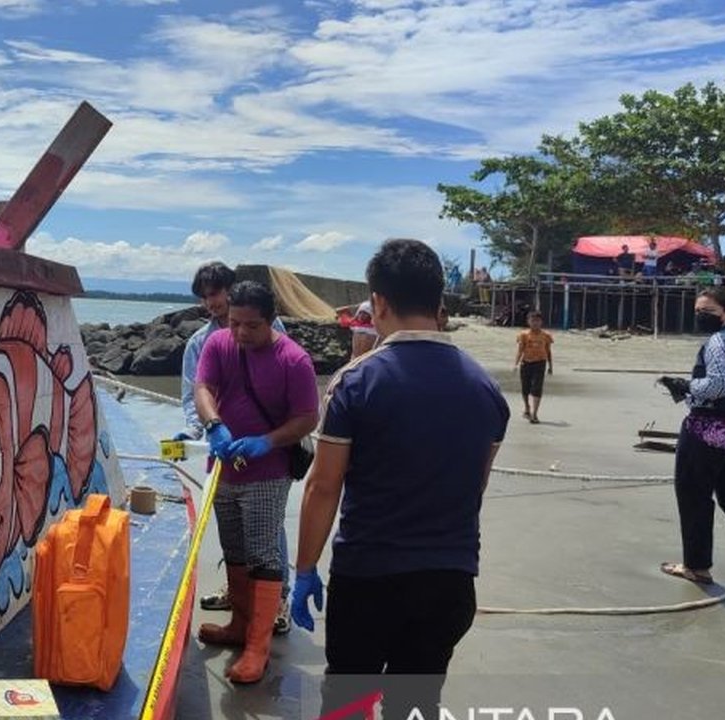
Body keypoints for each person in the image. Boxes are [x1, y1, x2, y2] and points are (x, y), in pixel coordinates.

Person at [291, 238, 509, 718]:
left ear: (379, 303)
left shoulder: (356, 381)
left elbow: (323, 486)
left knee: (349, 701)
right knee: (416, 703)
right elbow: (476, 486)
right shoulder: (486, 388)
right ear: (439, 305)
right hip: (450, 580)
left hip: (369, 576)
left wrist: (304, 569)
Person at [194, 280, 319, 683]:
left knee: (263, 553)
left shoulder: (294, 360)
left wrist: (267, 441)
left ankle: (257, 648)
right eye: (234, 323)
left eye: (252, 326)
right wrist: (214, 425)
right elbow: (203, 388)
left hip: (267, 473)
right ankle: (238, 625)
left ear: (270, 321)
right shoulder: (217, 345)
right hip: (224, 466)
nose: (241, 333)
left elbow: (307, 418)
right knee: (233, 549)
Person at [174, 262, 292, 633]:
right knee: (233, 527)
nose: (212, 302)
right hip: (224, 449)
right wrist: (197, 431)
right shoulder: (200, 343)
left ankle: (279, 601)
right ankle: (239, 597)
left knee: (269, 527)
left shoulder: (272, 331)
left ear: (232, 289)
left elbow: (289, 387)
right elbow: (194, 393)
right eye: (205, 296)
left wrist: (272, 438)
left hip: (264, 449)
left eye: (217, 293)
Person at [656, 287, 725, 585]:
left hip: (707, 431)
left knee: (694, 496)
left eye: (707, 312)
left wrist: (686, 386)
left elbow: (720, 385)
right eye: (697, 311)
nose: (700, 317)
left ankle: (697, 566)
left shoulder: (720, 341)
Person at [515, 310, 553, 423]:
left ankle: (535, 414)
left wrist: (551, 366)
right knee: (525, 388)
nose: (535, 323)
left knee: (537, 388)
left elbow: (548, 351)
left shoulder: (546, 336)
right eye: (532, 320)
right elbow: (520, 350)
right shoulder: (523, 335)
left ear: (541, 322)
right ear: (528, 322)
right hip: (526, 363)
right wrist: (516, 364)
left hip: (540, 363)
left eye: (537, 321)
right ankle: (527, 407)